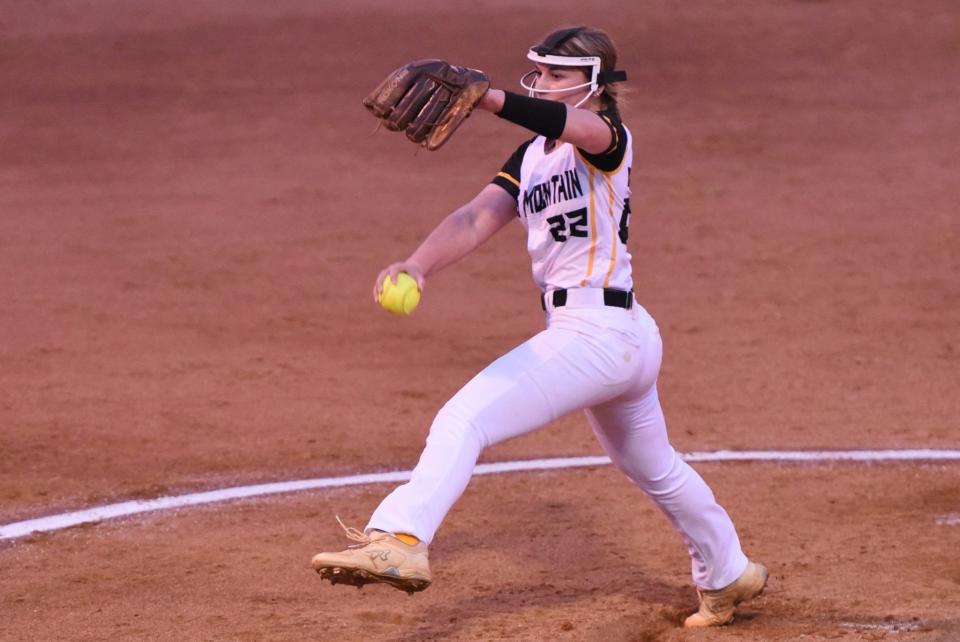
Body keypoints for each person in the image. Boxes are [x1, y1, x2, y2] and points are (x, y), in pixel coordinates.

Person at [311, 25, 767, 628]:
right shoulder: (530, 157)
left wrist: (489, 98)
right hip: (620, 332)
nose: (545, 84)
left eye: (558, 75)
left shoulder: (607, 139)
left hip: (597, 334)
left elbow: (576, 129)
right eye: (541, 74)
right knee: (652, 467)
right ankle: (728, 572)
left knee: (463, 418)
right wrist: (417, 264)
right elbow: (476, 216)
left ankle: (399, 537)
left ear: (594, 84)